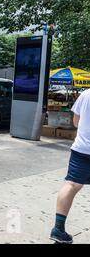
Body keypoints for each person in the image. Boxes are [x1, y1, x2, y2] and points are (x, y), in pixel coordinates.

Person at [50, 89, 90, 244]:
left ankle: (58, 229)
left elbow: (75, 122)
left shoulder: (86, 94)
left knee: (71, 184)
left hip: (81, 149)